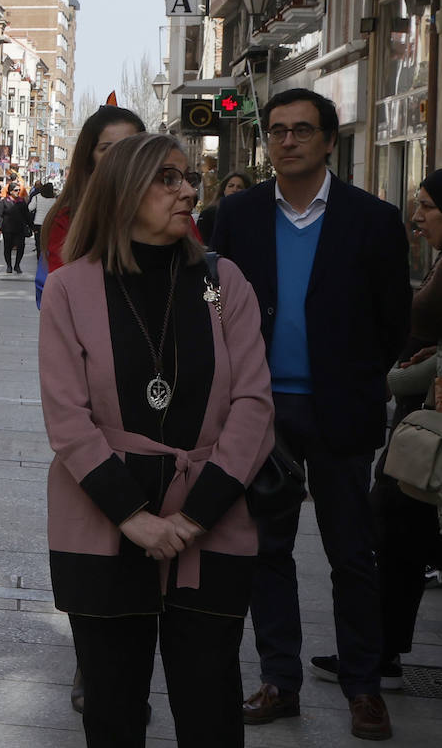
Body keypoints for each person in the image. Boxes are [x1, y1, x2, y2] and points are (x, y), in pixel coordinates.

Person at [40, 131, 275, 747]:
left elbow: (253, 406)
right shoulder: (70, 290)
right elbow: (68, 419)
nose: (189, 190)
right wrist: (137, 519)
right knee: (113, 712)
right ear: (123, 192)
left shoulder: (225, 284)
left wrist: (194, 518)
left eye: (189, 177)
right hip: (102, 526)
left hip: (213, 524)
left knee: (212, 710)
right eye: (168, 178)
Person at [211, 88, 411, 742]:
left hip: (339, 410)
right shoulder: (236, 215)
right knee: (266, 550)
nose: (287, 140)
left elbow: (393, 324)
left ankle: (363, 686)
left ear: (330, 140)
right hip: (260, 407)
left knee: (351, 552)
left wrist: (356, 380)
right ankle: (279, 680)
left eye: (301, 130)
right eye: (276, 131)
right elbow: (213, 306)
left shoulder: (372, 220)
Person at [308, 169, 442, 694]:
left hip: (423, 423)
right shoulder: (434, 261)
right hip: (415, 420)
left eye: (428, 206)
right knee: (392, 527)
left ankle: (373, 653)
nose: (418, 217)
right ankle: (377, 650)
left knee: (387, 525)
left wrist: (394, 373)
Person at [39, 105, 146, 277]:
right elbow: (62, 292)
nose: (120, 156)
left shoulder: (168, 211)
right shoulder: (67, 219)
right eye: (107, 149)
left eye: (130, 146)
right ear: (89, 158)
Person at [194, 171, 251, 243]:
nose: (234, 190)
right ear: (224, 190)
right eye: (231, 186)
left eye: (239, 187)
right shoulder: (208, 214)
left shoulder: (250, 216)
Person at [0, 182, 30, 275]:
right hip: (7, 229)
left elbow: (27, 215)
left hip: (20, 228)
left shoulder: (22, 201)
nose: (18, 192)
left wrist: (31, 226)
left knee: (21, 247)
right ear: (10, 191)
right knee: (7, 248)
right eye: (16, 190)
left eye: (19, 190)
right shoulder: (4, 201)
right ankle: (9, 265)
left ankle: (17, 265)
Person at [30, 180, 56, 254]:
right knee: (48, 242)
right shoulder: (54, 199)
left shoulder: (37, 197)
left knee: (38, 243)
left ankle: (39, 259)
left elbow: (30, 208)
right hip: (50, 224)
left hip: (38, 223)